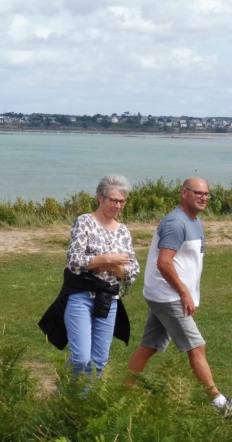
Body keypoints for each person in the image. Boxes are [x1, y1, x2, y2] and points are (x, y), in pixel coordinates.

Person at [126, 178, 231, 412]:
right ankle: (219, 404)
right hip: (168, 295)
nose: (204, 197)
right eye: (198, 193)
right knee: (196, 347)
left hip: (166, 294)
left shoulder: (195, 221)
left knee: (149, 346)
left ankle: (123, 391)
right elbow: (164, 263)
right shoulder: (175, 223)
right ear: (184, 193)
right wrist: (184, 293)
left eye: (207, 194)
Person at [38, 175, 139, 379]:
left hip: (108, 300)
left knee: (99, 361)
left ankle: (85, 404)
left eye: (122, 201)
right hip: (80, 296)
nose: (118, 205)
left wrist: (102, 264)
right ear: (100, 198)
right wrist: (110, 259)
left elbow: (131, 273)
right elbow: (75, 261)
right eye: (113, 200)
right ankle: (65, 394)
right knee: (81, 358)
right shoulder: (84, 222)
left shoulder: (123, 232)